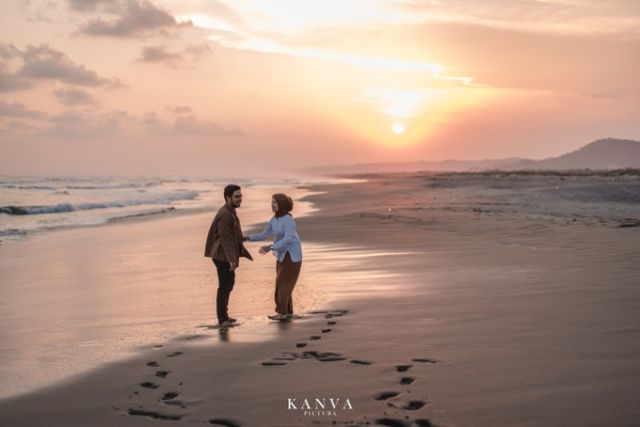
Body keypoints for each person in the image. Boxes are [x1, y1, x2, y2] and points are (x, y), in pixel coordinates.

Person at [245, 193, 303, 321]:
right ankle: (287, 312)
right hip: (282, 255)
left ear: (281, 204)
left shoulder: (288, 220)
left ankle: (282, 312)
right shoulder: (275, 219)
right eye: (272, 202)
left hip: (292, 256)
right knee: (283, 284)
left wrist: (271, 247)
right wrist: (247, 238)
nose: (272, 205)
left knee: (282, 284)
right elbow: (264, 234)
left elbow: (288, 239)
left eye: (275, 203)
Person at [204, 184, 253, 327]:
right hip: (221, 255)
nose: (240, 199)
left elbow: (233, 235)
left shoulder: (230, 210)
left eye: (241, 196)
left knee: (229, 283)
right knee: (225, 285)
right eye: (237, 197)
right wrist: (232, 260)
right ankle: (222, 318)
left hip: (225, 254)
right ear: (227, 197)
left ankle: (224, 315)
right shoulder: (225, 214)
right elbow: (226, 239)